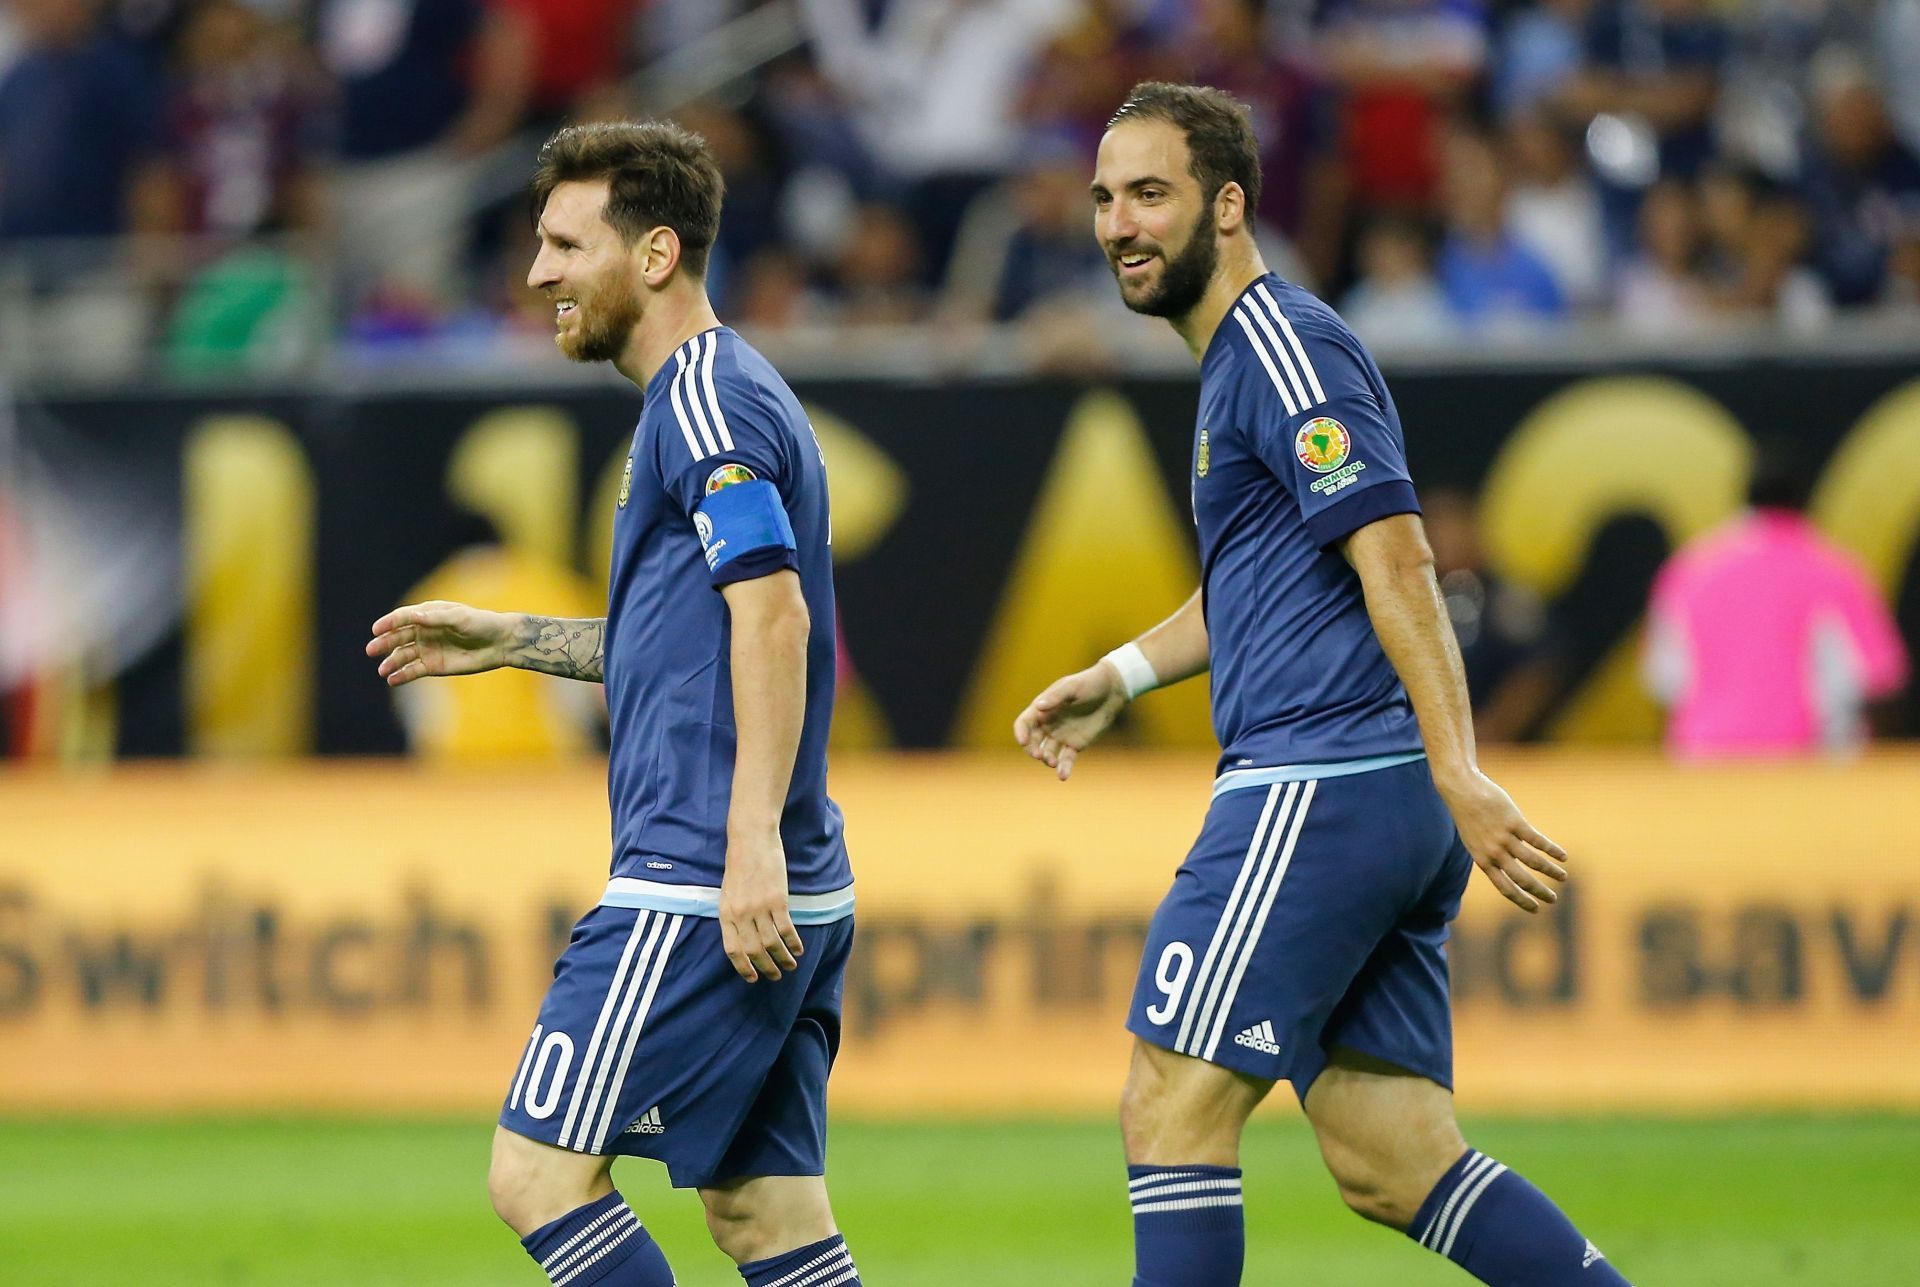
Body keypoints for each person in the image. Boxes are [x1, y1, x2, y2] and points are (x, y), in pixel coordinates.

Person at [1014, 83, 1629, 1287]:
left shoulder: (1283, 345)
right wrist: (1126, 675)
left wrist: (1462, 770)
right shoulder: (1238, 364)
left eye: (1150, 194)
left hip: (1321, 779)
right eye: (1103, 199)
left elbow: (1395, 552)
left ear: (1229, 206)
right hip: (1369, 791)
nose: (1118, 225)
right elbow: (1264, 581)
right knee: (1390, 1158)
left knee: (1170, 1104)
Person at [365, 121, 861, 1287]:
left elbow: (774, 618)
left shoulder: (702, 405)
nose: (537, 273)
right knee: (765, 1218)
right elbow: (698, 643)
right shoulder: (732, 390)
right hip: (786, 873)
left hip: (697, 880)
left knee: (537, 1178)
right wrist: (517, 641)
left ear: (652, 255)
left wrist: (743, 846)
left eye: (562, 245)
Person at [1643, 439, 1909, 758]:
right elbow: (1881, 678)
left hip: (1707, 762)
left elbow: (1664, 679)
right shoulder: (1835, 572)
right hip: (1808, 763)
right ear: (1808, 499)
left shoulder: (1691, 570)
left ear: (1745, 497)